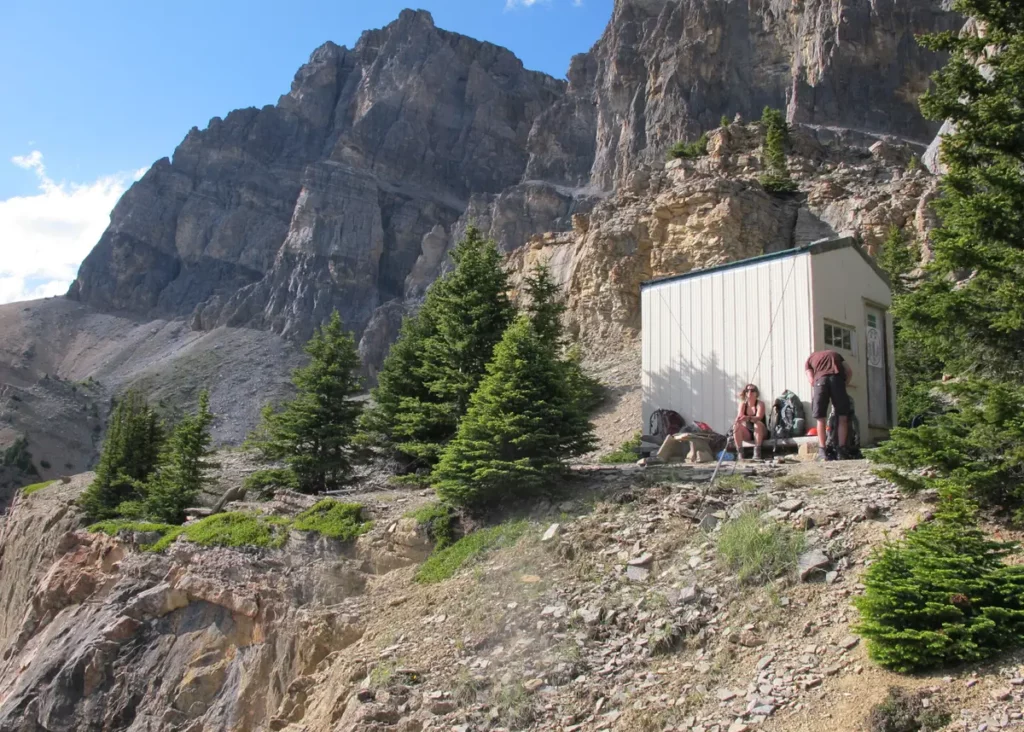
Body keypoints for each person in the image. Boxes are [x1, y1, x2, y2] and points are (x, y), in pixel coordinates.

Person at [805, 349, 854, 460]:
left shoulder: (809, 359)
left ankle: (822, 451)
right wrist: (844, 384)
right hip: (837, 380)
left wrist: (818, 386)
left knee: (820, 417)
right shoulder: (836, 354)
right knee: (842, 416)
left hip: (820, 381)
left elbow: (811, 379)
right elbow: (849, 371)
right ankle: (842, 451)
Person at [733, 384, 767, 460]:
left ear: (756, 393)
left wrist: (747, 418)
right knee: (736, 426)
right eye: (747, 391)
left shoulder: (760, 404)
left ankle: (757, 452)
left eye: (752, 390)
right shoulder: (743, 404)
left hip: (761, 431)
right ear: (745, 393)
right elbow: (740, 417)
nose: (750, 392)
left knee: (757, 424)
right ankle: (740, 453)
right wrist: (738, 419)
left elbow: (759, 417)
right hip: (748, 432)